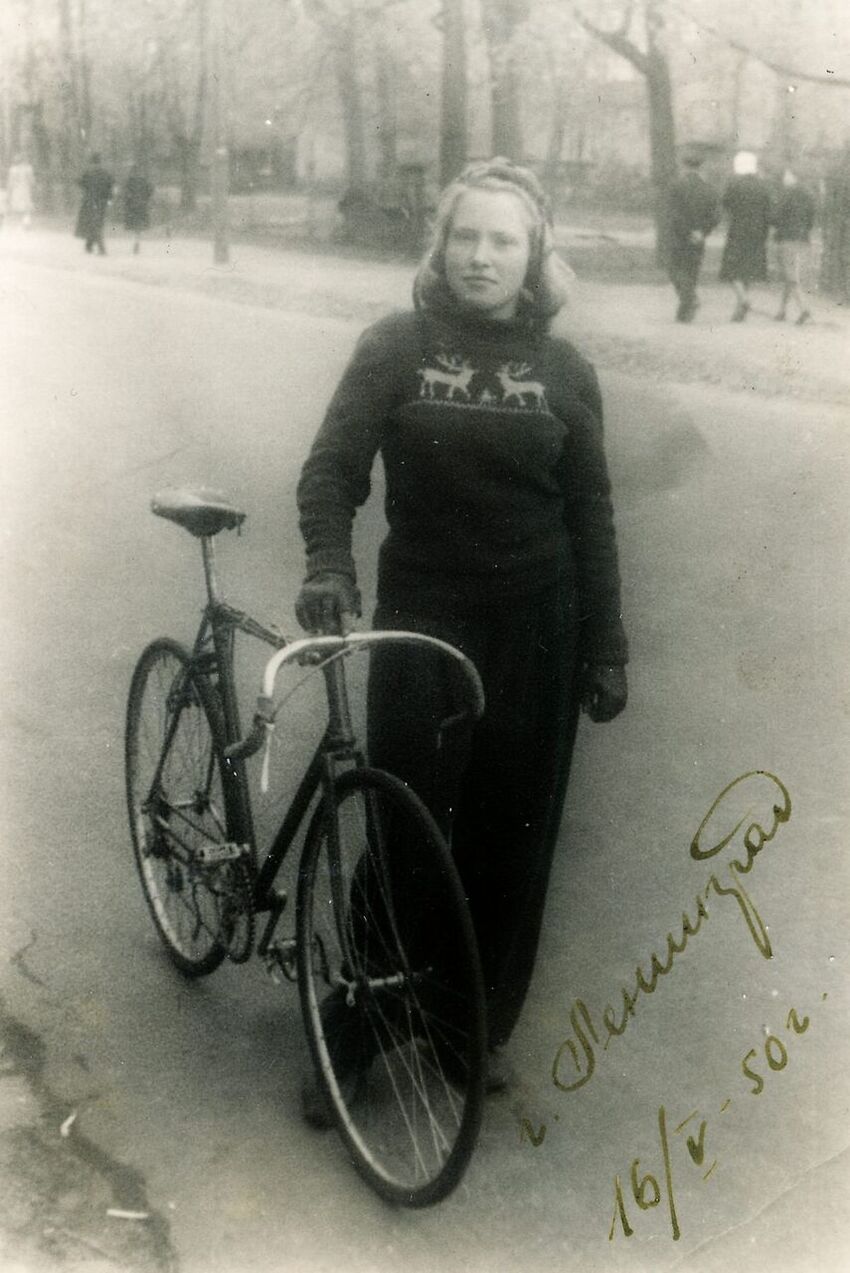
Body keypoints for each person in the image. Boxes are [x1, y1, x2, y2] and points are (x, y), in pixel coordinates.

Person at [294, 158, 629, 1123]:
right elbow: (331, 471)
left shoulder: (567, 371)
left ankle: (458, 1024)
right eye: (466, 237)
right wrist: (330, 563)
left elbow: (592, 513)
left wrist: (605, 643)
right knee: (405, 821)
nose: (482, 256)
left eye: (504, 240)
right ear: (441, 247)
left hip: (540, 623)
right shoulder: (394, 347)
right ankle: (353, 1028)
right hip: (425, 617)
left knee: (509, 836)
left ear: (535, 257)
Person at [719, 150, 772, 321]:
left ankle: (743, 299)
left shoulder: (734, 185)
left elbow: (725, 203)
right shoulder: (763, 186)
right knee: (748, 270)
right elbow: (769, 210)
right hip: (758, 233)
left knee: (732, 269)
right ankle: (739, 309)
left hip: (738, 230)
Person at [667, 152, 719, 322]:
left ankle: (689, 303)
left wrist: (687, 231)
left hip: (679, 236)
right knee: (692, 271)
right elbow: (715, 216)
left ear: (684, 166)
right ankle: (686, 311)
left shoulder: (676, 186)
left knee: (675, 270)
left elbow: (674, 214)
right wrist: (702, 232)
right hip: (698, 238)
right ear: (700, 167)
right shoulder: (709, 188)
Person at [772, 168, 817, 325]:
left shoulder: (786, 194)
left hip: (787, 238)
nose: (784, 178)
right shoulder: (810, 194)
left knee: (790, 275)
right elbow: (812, 218)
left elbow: (776, 216)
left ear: (793, 176)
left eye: (786, 174)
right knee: (789, 273)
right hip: (803, 239)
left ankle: (803, 308)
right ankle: (781, 310)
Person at [74, 153, 114, 255]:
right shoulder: (106, 174)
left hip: (89, 202)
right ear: (100, 162)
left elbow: (81, 183)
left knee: (93, 224)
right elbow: (111, 187)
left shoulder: (88, 173)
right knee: (97, 224)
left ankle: (101, 248)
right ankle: (89, 245)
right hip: (102, 203)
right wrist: (109, 200)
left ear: (92, 162)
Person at [123, 163, 154, 254]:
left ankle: (136, 241)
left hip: (132, 206)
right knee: (138, 225)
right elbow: (150, 191)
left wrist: (128, 200)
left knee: (134, 224)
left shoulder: (130, 181)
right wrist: (145, 199)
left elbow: (126, 193)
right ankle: (137, 240)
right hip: (141, 205)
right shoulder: (144, 181)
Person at [7, 154, 35, 228]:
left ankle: (19, 223)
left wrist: (9, 190)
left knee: (17, 206)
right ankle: (26, 222)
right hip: (25, 189)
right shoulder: (28, 168)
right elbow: (32, 180)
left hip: (16, 190)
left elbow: (10, 182)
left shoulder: (12, 169)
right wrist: (32, 186)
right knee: (26, 206)